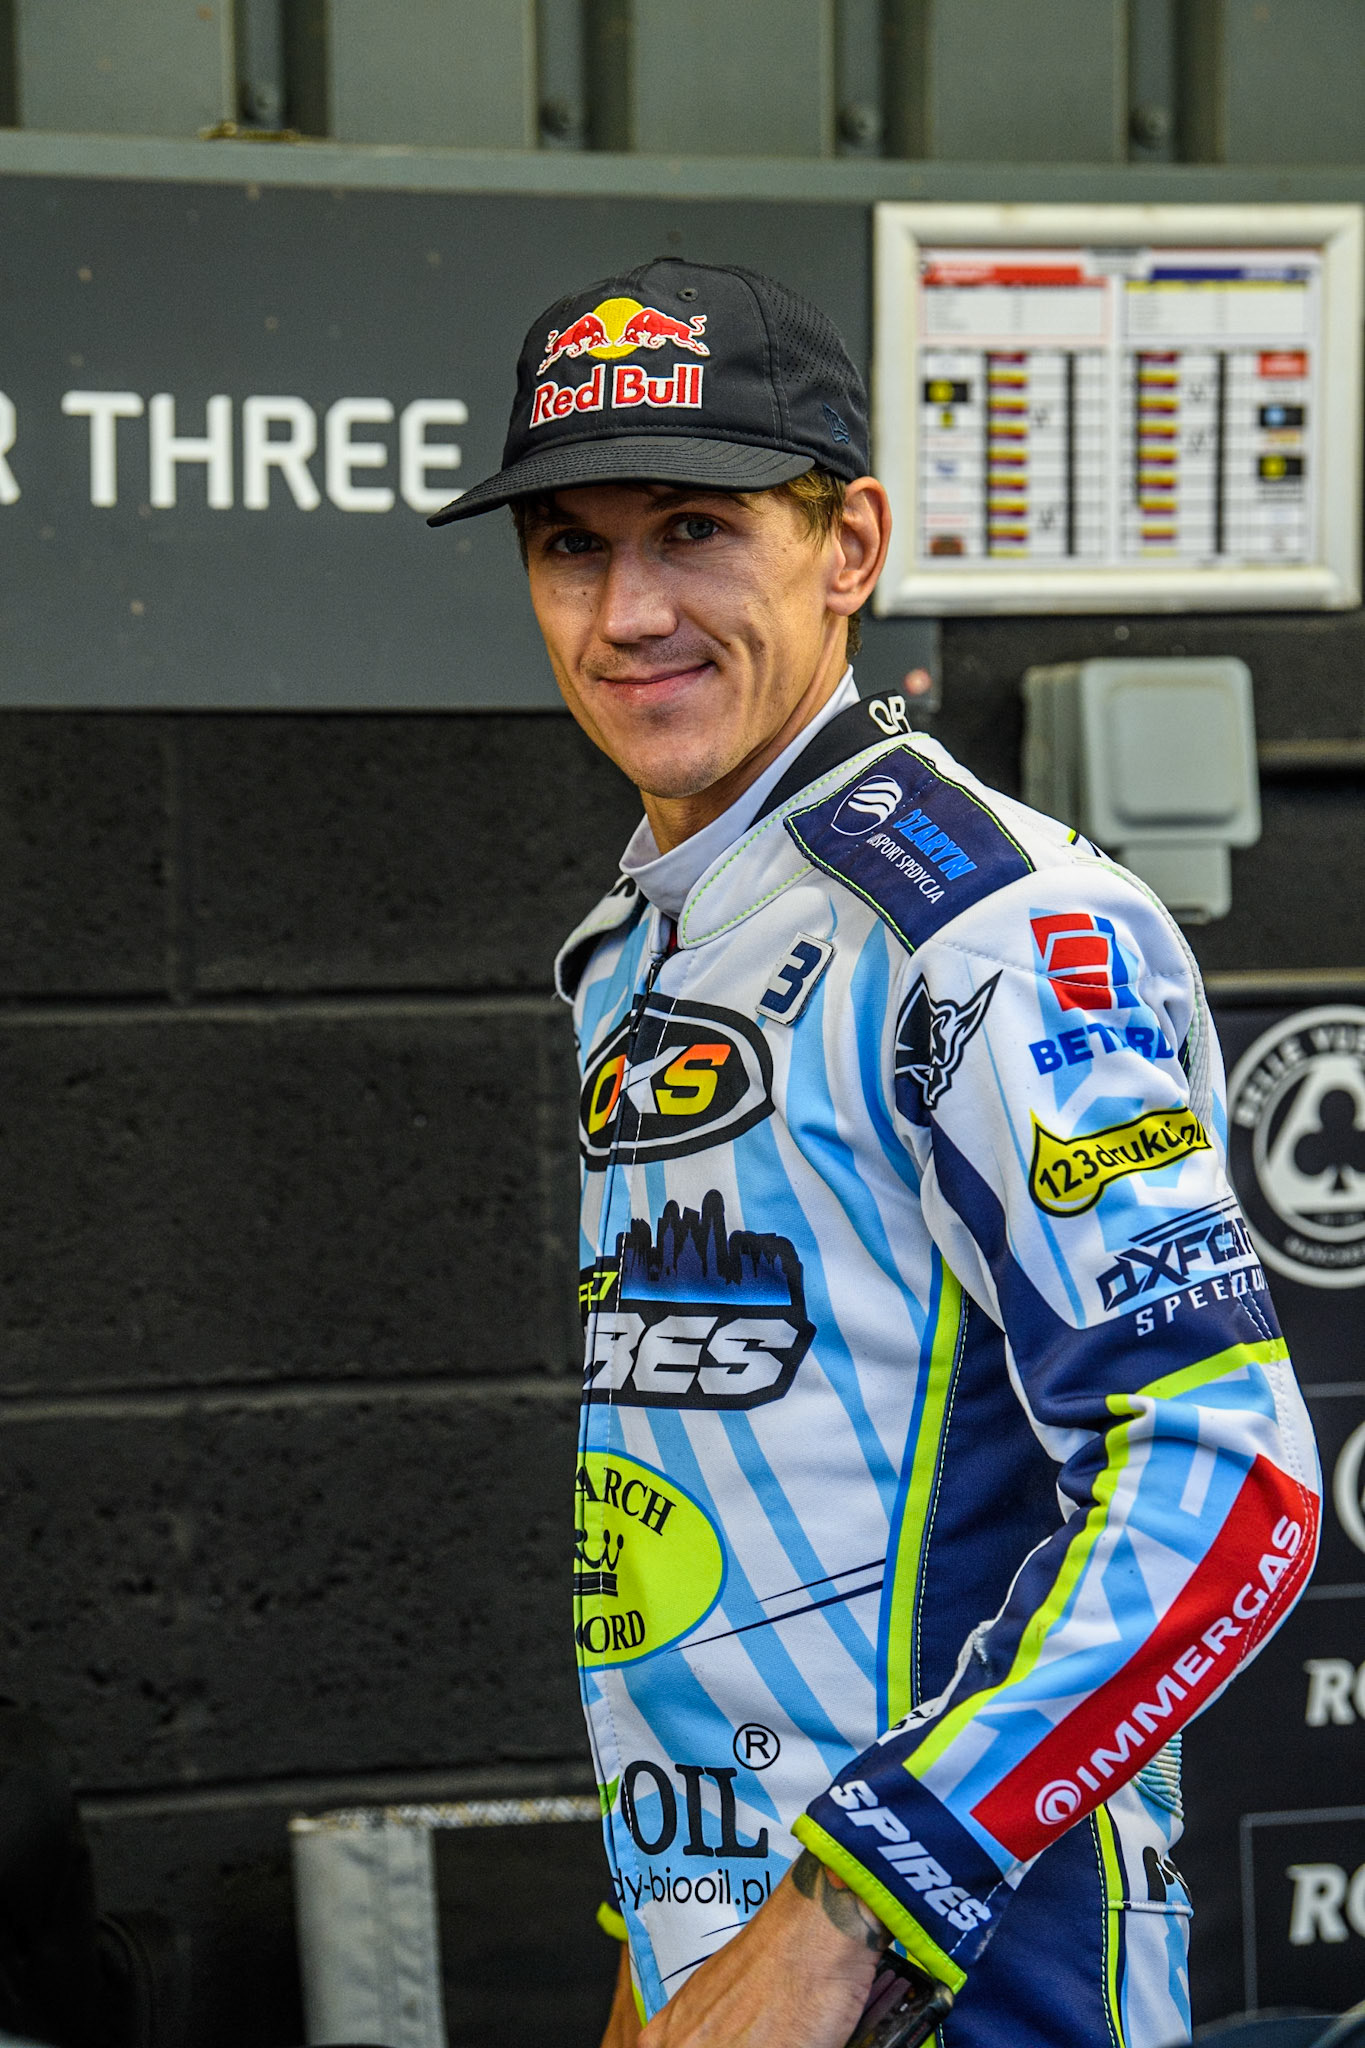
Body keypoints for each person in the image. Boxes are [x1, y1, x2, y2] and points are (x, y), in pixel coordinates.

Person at [428, 258, 1320, 2048]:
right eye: (569, 548)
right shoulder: (647, 941)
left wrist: (842, 1919)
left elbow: (1229, 1487)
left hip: (975, 1979)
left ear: (848, 546)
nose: (625, 613)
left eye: (692, 528)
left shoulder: (983, 926)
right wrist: (660, 1953)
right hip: (718, 1952)